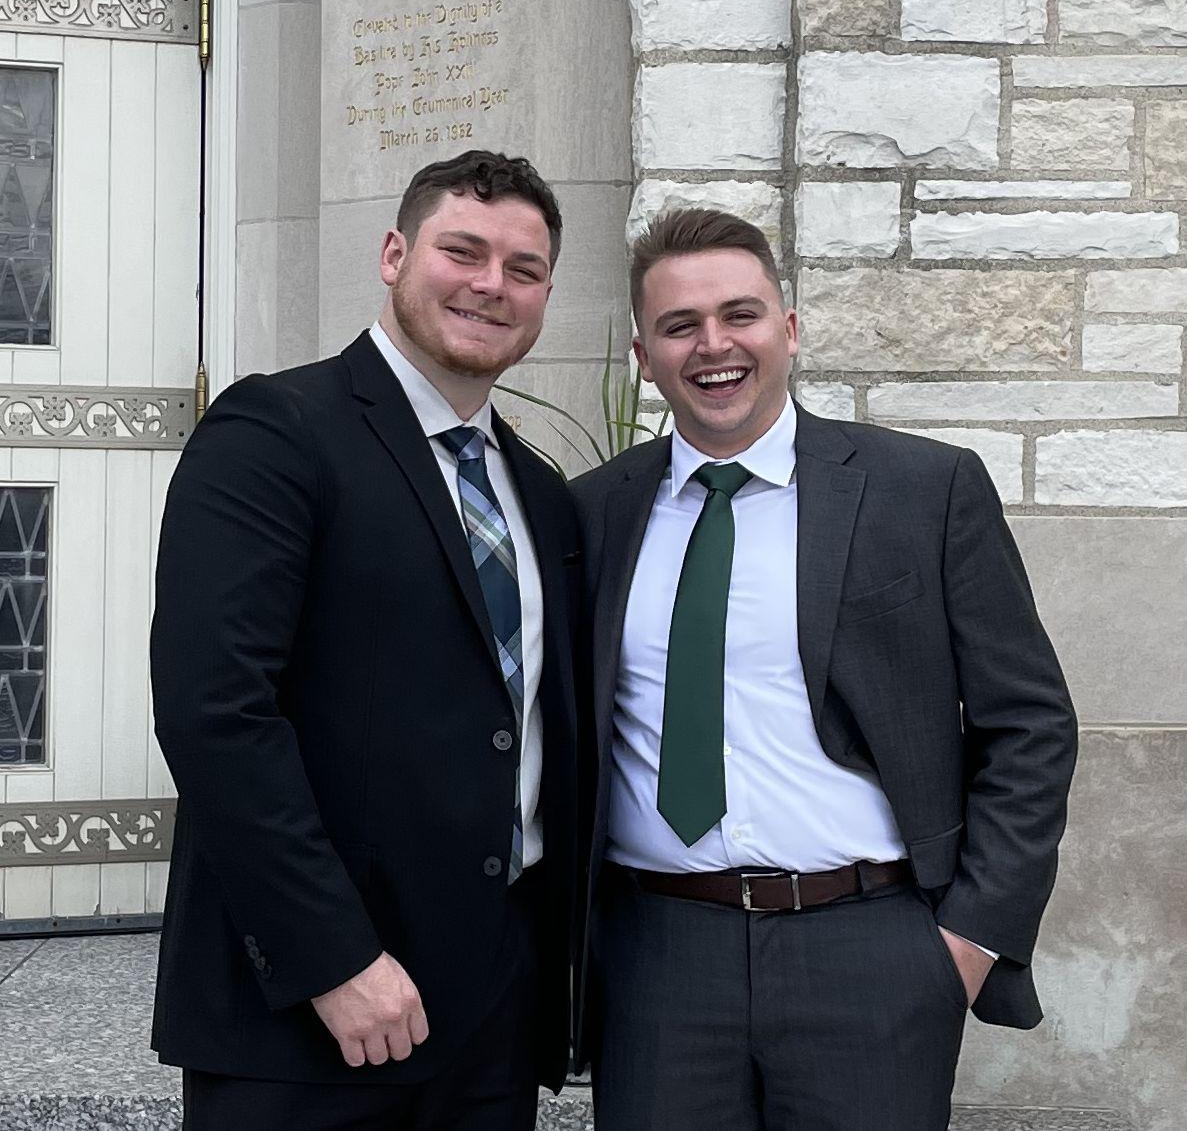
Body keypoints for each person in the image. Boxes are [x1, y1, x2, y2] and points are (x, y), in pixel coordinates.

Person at [571, 208, 1077, 1131]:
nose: (713, 344)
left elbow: (1029, 723)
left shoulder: (922, 489)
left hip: (869, 949)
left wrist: (966, 940)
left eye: (740, 314)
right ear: (643, 355)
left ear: (789, 327)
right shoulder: (592, 512)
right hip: (656, 960)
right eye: (680, 325)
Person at [150, 150, 581, 1130]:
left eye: (522, 268)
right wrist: (332, 957)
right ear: (394, 255)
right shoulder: (274, 432)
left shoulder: (542, 494)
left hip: (490, 1020)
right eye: (461, 251)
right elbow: (215, 711)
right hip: (307, 1019)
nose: (491, 284)